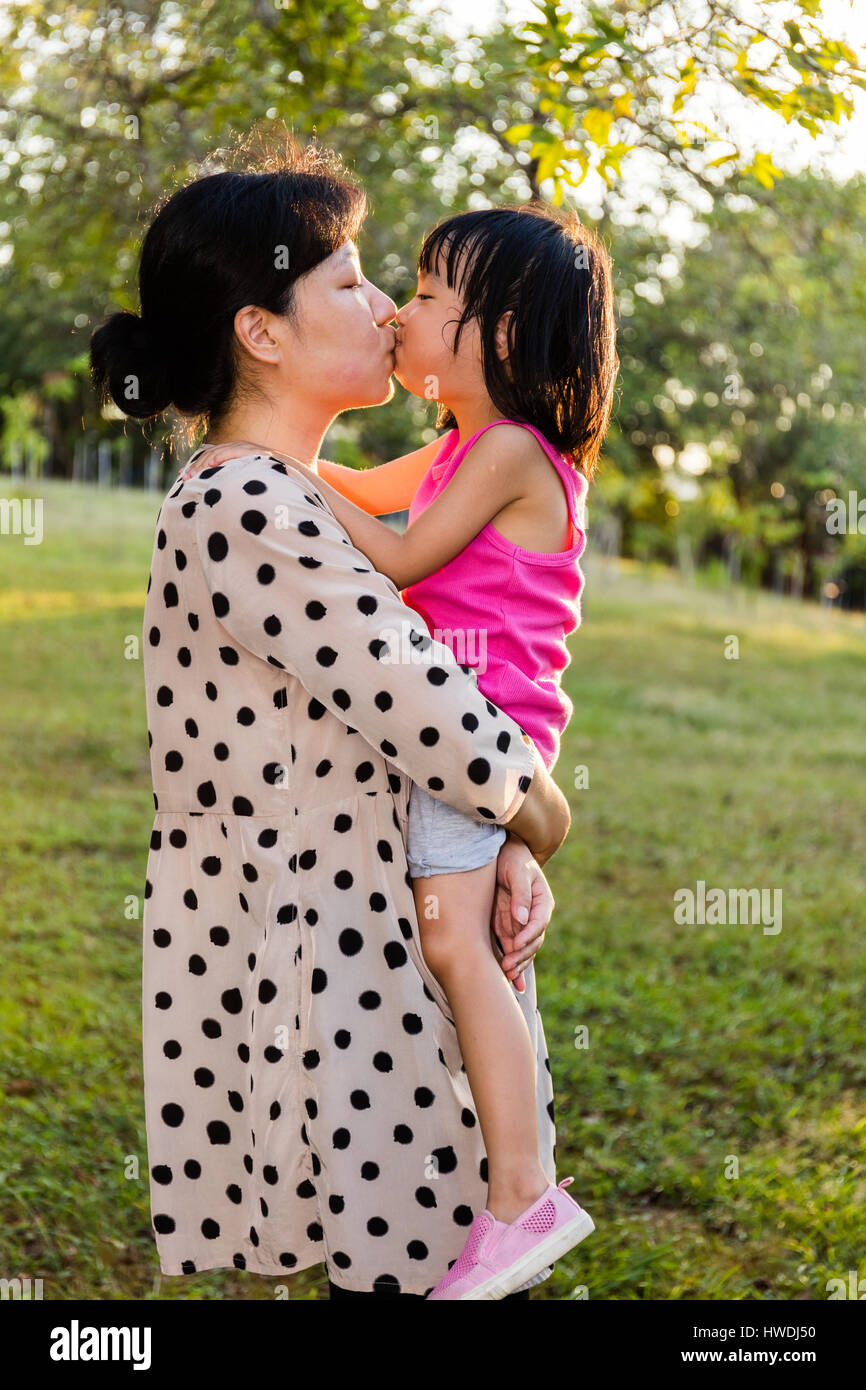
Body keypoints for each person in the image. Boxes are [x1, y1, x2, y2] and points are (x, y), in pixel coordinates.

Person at [89, 133, 571, 1300]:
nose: (385, 311)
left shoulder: (281, 491)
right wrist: (539, 812)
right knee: (410, 1257)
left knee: (443, 1249)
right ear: (262, 330)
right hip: (330, 969)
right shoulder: (246, 502)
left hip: (374, 924)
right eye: (352, 283)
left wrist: (498, 833)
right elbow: (429, 707)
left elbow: (429, 698)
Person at [179, 202, 618, 1299]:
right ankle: (510, 1181)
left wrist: (262, 473)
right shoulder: (465, 448)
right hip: (475, 740)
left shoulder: (510, 450)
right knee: (474, 951)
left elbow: (395, 549)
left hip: (474, 740)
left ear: (503, 336)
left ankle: (522, 1191)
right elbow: (354, 490)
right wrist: (261, 454)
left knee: (460, 952)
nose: (402, 314)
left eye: (426, 297)